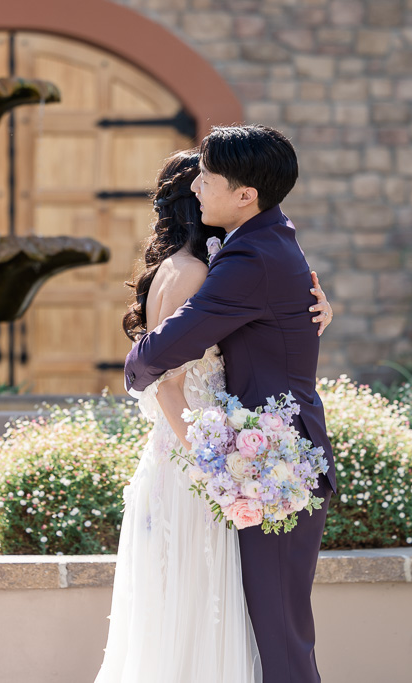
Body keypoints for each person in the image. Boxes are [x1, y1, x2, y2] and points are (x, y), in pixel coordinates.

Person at [95, 143, 333, 683]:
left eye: (209, 178)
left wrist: (137, 365)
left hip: (268, 468)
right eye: (197, 179)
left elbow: (160, 356)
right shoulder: (262, 239)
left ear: (245, 194)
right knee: (266, 635)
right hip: (241, 465)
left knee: (277, 639)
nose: (199, 187)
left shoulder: (246, 257)